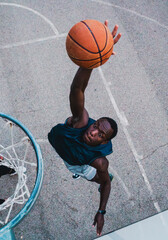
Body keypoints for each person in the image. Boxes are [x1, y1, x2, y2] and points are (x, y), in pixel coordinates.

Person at [48, 20, 122, 236]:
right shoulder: (81, 121)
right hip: (63, 144)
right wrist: (93, 60)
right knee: (96, 172)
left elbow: (107, 185)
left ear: (104, 141)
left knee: (99, 177)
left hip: (78, 165)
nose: (93, 131)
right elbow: (77, 87)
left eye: (100, 134)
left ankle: (89, 176)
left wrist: (101, 211)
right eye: (97, 126)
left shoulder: (99, 160)